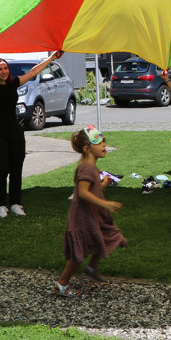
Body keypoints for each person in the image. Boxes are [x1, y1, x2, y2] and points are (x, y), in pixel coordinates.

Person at [0, 52, 61, 217]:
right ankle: (1, 205)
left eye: (5, 68)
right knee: (2, 168)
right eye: (0, 69)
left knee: (16, 168)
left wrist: (51, 58)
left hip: (15, 132)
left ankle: (16, 204)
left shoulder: (14, 83)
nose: (4, 71)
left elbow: (33, 72)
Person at [53, 126, 127, 297]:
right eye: (98, 143)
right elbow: (82, 192)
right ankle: (61, 284)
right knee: (78, 255)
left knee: (109, 236)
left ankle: (92, 267)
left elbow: (90, 189)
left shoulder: (90, 167)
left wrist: (101, 186)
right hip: (82, 218)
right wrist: (106, 204)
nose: (104, 145)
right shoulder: (87, 168)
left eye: (103, 141)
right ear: (87, 149)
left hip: (91, 216)